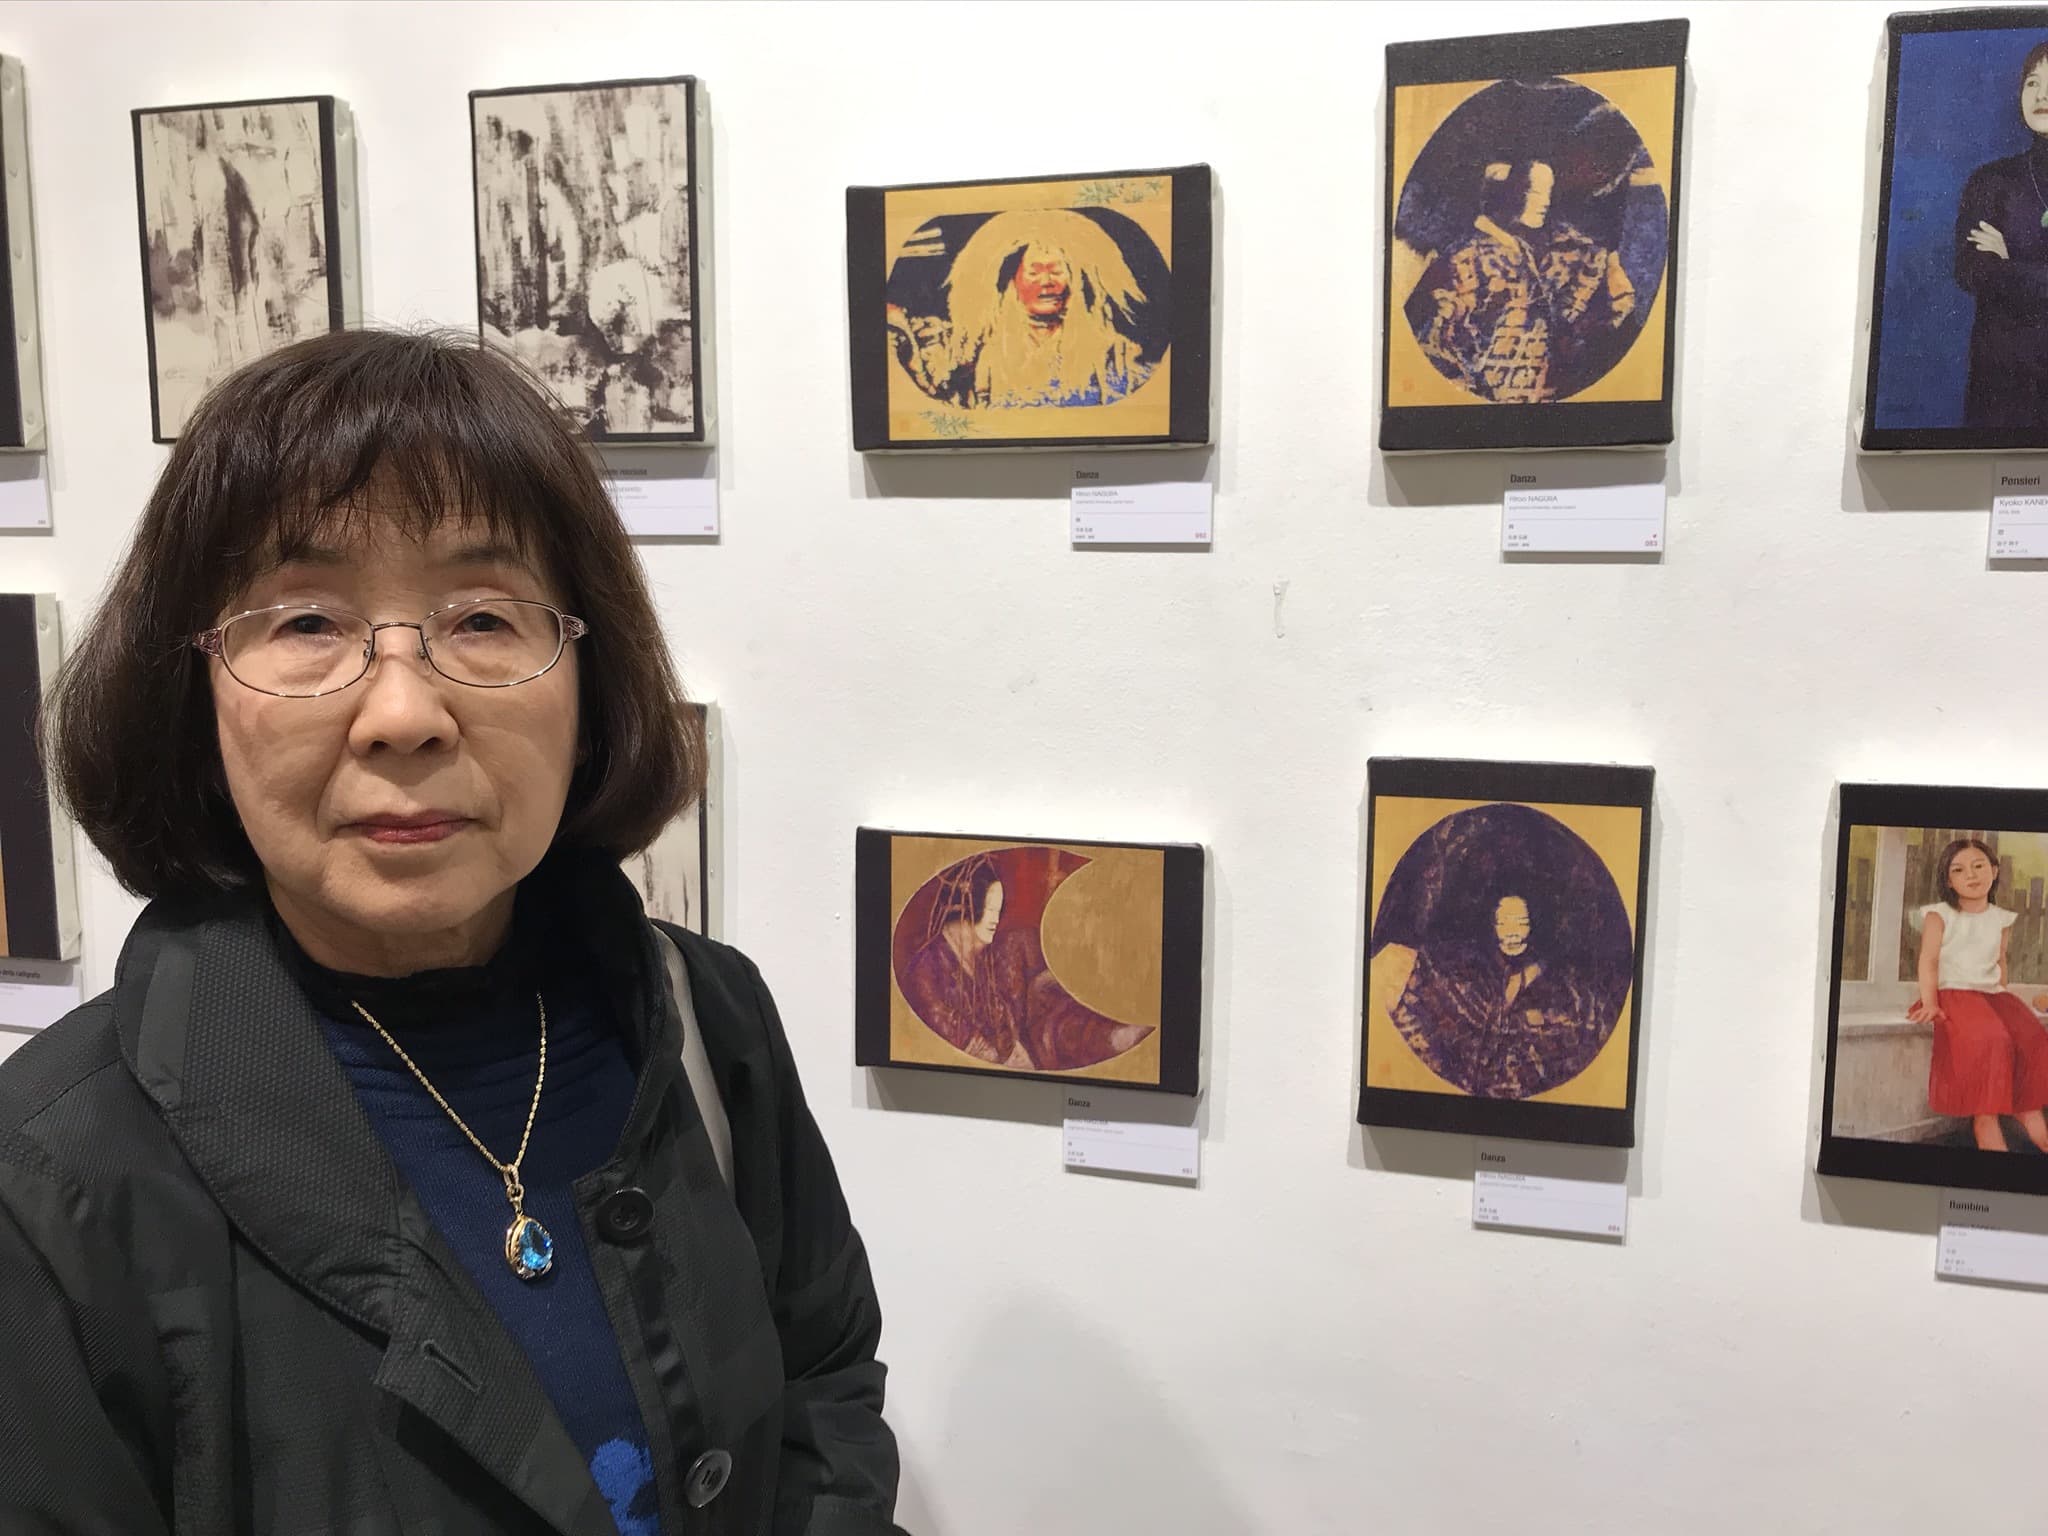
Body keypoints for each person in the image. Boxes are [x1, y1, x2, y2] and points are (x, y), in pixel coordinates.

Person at [0, 329, 904, 1534]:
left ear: (586, 678)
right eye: (306, 623)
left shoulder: (699, 1012)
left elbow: (821, 1382)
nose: (403, 713)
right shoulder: (51, 1180)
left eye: (481, 616)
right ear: (194, 696)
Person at [895, 852, 1150, 1072]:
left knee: (1034, 966)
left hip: (1021, 1043)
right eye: (990, 910)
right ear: (968, 907)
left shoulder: (984, 956)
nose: (995, 919)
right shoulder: (926, 972)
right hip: (988, 1067)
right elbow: (966, 1043)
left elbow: (1005, 1019)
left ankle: (1109, 1036)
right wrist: (1015, 1060)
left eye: (998, 911)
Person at [1409, 159, 1634, 404]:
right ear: (1508, 194)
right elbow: (1434, 340)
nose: (1544, 202)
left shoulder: (1537, 251)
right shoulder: (1465, 256)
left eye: (1547, 193)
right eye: (1534, 192)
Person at [885, 208, 1154, 410]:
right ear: (1010, 279)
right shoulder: (975, 357)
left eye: (1057, 271)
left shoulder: (1114, 354)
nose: (1047, 282)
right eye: (1034, 272)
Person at [1372, 889, 1613, 1100]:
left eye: (1521, 922)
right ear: (1491, 925)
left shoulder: (1563, 991)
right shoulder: (1463, 974)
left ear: (1535, 924)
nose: (1512, 933)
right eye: (1503, 923)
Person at [1906, 837, 2048, 1153]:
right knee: (1992, 1039)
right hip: (1955, 994)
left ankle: (2027, 1109)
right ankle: (1986, 1119)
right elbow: (1928, 960)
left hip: (1993, 996)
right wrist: (1930, 1002)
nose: (1971, 875)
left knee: (2032, 1037)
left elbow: (2000, 960)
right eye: (1958, 870)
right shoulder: (1939, 915)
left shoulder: (2001, 918)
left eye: (1978, 866)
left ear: (1994, 871)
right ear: (1948, 880)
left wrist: (2004, 997)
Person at [1954, 40, 2048, 430]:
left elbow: (1997, 274)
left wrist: (2010, 263)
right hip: (2005, 388)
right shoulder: (1991, 181)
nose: (2041, 95)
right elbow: (1973, 271)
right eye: (2032, 82)